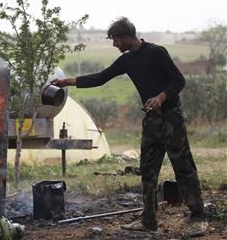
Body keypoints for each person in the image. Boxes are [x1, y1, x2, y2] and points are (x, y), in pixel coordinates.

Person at [51, 17, 208, 235]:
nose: (114, 44)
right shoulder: (126, 60)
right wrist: (66, 81)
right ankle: (149, 221)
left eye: (115, 40)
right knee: (147, 171)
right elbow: (101, 78)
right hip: (151, 121)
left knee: (183, 168)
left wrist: (161, 97)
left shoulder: (157, 52)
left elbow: (178, 81)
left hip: (171, 118)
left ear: (126, 37)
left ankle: (199, 217)